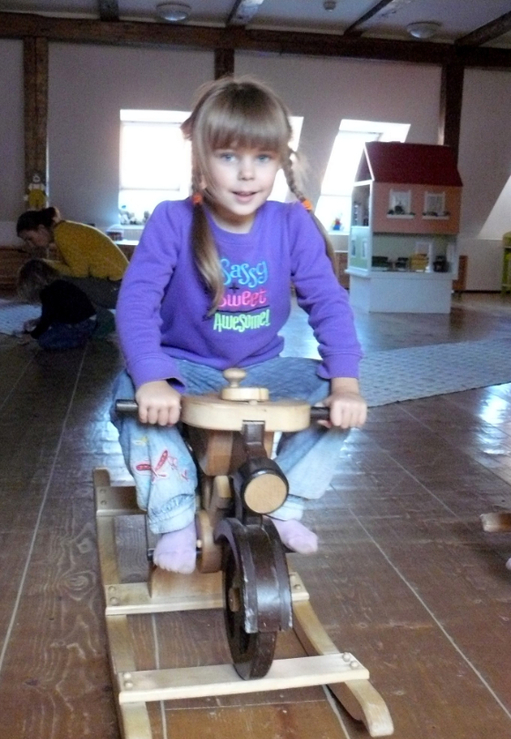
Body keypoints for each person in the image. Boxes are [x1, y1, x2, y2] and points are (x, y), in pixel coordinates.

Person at [112, 76, 367, 574]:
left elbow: (329, 303)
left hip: (262, 369)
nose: (247, 173)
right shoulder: (171, 220)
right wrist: (151, 378)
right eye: (229, 156)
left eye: (263, 158)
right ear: (201, 158)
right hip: (185, 367)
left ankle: (284, 502)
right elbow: (136, 302)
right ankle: (174, 515)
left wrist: (346, 384)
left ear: (280, 161)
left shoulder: (291, 224)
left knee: (333, 394)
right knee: (129, 395)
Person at [16, 207, 128, 311]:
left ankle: (77, 317)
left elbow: (79, 273)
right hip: (121, 286)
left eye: (30, 239)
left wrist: (45, 263)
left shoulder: (63, 235)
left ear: (41, 229)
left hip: (118, 290)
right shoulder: (64, 230)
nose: (30, 245)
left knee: (57, 281)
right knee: (59, 278)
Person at [17, 258, 97, 350]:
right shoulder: (58, 285)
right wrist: (37, 321)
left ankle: (79, 340)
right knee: (50, 326)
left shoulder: (47, 293)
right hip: (86, 320)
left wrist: (32, 336)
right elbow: (52, 313)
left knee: (44, 341)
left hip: (81, 324)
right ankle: (78, 334)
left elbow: (47, 319)